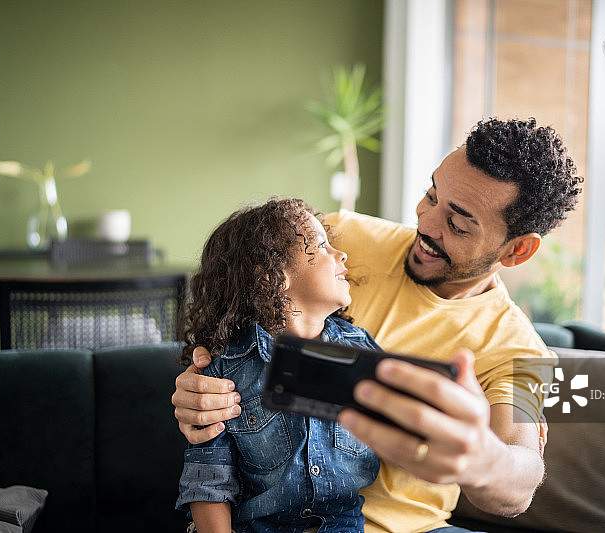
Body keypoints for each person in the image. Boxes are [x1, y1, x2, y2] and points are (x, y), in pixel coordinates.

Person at [172, 118, 584, 533]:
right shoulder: (346, 235)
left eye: (457, 224)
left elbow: (521, 480)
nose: (425, 223)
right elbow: (232, 321)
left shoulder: (525, 351)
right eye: (431, 195)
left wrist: (484, 460)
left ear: (517, 250)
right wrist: (199, 390)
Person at [175, 198, 382, 532]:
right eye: (321, 246)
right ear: (274, 278)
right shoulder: (225, 369)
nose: (341, 255)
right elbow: (208, 481)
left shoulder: (364, 353)